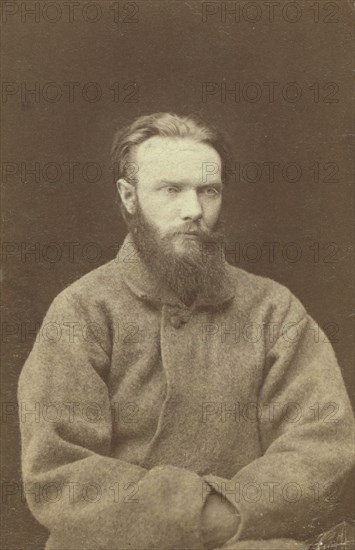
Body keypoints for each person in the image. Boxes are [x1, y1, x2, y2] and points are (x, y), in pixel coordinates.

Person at [18, 113, 354, 550]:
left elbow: (322, 443)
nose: (193, 210)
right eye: (171, 189)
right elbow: (58, 471)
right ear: (129, 197)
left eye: (208, 191)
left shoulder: (274, 309)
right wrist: (190, 518)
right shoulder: (82, 310)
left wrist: (230, 514)